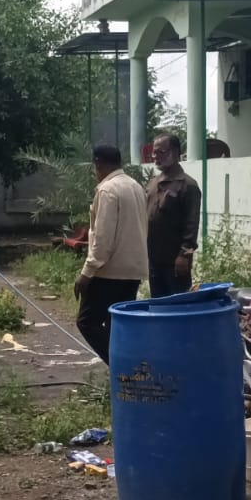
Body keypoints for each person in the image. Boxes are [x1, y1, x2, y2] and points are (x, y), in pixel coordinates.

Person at [75, 144, 148, 363]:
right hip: (133, 270)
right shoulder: (135, 186)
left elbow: (103, 238)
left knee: (87, 322)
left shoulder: (107, 190)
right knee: (116, 325)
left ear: (97, 163)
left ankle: (122, 365)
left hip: (109, 271)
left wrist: (86, 273)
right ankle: (128, 368)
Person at [144, 133, 201, 298]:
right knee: (158, 304)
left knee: (178, 305)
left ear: (175, 153)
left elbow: (192, 225)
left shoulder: (188, 185)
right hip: (154, 259)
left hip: (175, 262)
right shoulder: (153, 183)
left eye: (161, 152)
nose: (155, 156)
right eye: (154, 152)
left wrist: (184, 255)